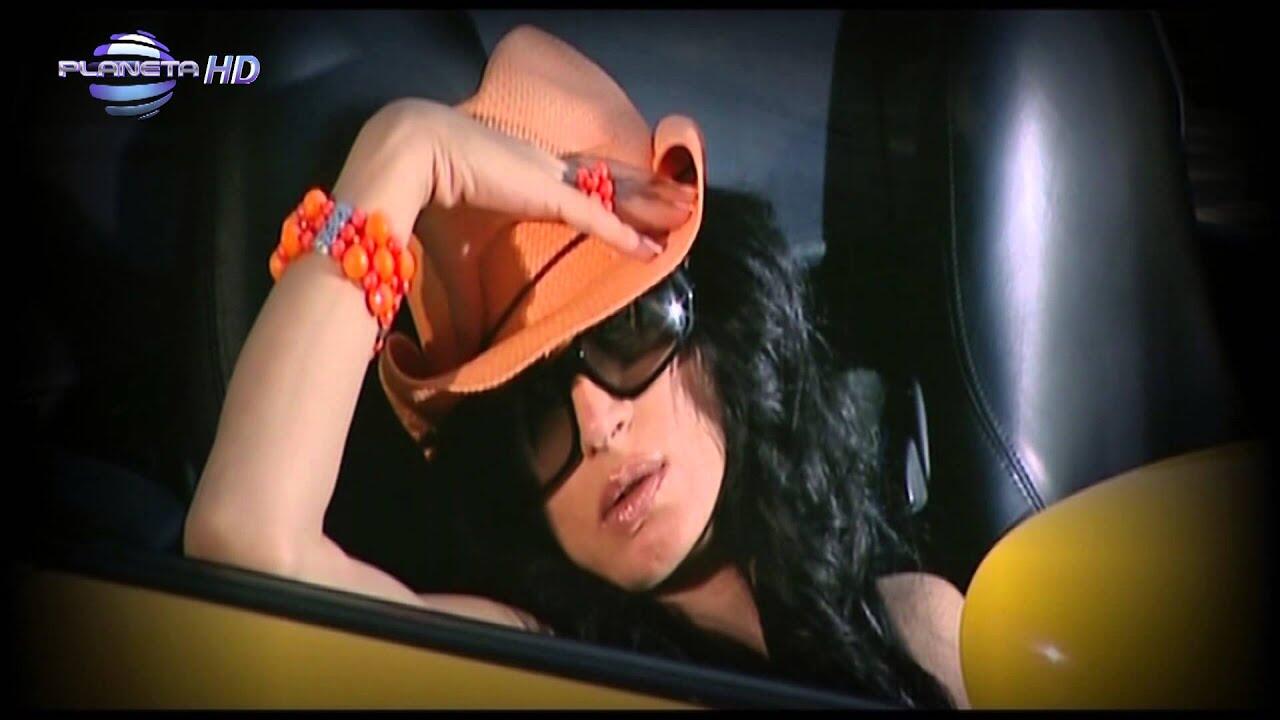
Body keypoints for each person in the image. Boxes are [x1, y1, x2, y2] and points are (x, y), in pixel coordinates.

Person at [185, 26, 968, 708]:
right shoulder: (528, 662)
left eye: (628, 331)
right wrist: (404, 149)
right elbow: (250, 547)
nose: (597, 423)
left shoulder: (918, 625)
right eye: (535, 407)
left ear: (724, 325)